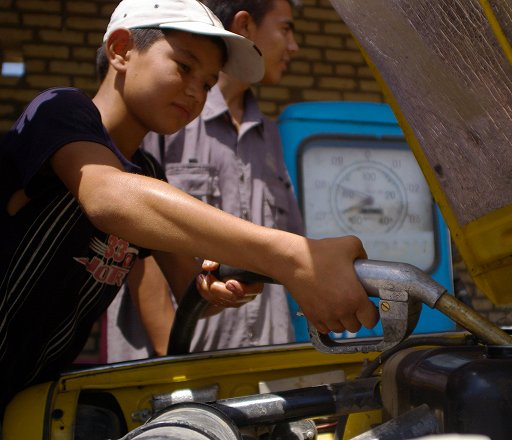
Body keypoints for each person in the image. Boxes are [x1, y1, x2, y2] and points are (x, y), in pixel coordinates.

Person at [0, 0, 378, 413]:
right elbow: (108, 197)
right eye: (184, 67)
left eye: (209, 82)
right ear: (121, 50)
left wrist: (217, 285)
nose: (197, 91)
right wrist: (293, 256)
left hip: (26, 393)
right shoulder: (60, 110)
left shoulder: (148, 171)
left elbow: (188, 284)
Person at [106, 0, 305, 360]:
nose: (294, 46)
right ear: (244, 25)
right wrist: (174, 352)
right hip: (182, 364)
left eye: (207, 81)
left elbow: (290, 242)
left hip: (261, 359)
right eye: (286, 28)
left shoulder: (269, 136)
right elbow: (135, 243)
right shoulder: (163, 115)